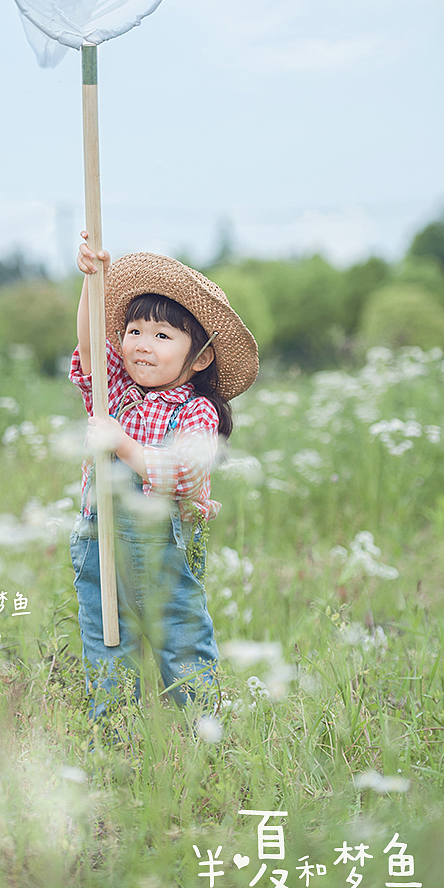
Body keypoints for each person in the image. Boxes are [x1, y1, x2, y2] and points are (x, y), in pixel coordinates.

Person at [69, 234, 259, 725]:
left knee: (181, 641)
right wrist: (93, 281)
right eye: (134, 330)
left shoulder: (197, 412)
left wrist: (123, 445)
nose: (141, 345)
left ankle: (206, 738)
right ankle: (113, 738)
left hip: (164, 550)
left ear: (199, 358)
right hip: (100, 542)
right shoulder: (117, 394)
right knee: (106, 641)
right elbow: (90, 349)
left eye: (162, 336)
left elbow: (183, 475)